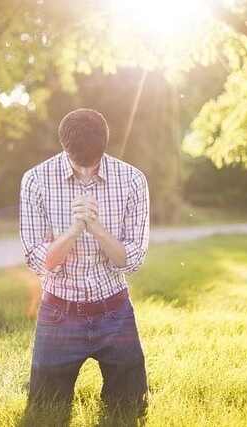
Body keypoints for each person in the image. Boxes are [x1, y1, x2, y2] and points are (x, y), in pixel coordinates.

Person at [19, 108, 150, 422]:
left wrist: (97, 229)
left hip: (115, 311)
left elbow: (132, 261)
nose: (87, 170)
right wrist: (74, 231)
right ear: (64, 147)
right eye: (79, 162)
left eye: (93, 161)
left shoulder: (132, 180)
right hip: (58, 313)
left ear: (105, 143)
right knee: (45, 411)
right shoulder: (36, 180)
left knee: (130, 410)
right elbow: (38, 262)